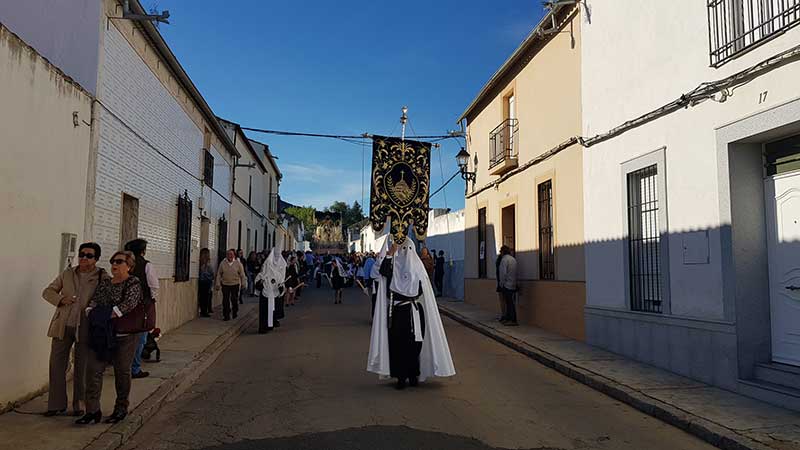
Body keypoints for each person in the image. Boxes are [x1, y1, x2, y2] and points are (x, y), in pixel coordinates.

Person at [368, 237, 455, 390]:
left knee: (415, 345)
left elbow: (424, 285)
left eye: (407, 249)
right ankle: (401, 377)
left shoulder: (417, 267)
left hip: (414, 311)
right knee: (397, 344)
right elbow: (381, 272)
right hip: (397, 312)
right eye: (402, 250)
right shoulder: (393, 266)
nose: (405, 253)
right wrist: (390, 253)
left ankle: (413, 374)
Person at [41, 242, 108, 417]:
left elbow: (106, 298)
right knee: (56, 365)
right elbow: (48, 291)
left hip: (85, 326)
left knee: (82, 367)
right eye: (82, 254)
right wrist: (61, 299)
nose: (84, 258)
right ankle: (56, 405)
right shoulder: (68, 273)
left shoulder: (101, 276)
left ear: (96, 259)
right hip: (62, 326)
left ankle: (80, 405)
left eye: (89, 255)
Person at [78, 251, 143, 425]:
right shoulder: (106, 283)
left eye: (119, 261)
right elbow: (94, 302)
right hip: (102, 334)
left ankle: (121, 408)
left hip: (125, 335)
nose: (114, 264)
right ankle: (92, 410)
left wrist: (102, 313)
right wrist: (93, 311)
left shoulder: (133, 282)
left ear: (129, 265)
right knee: (93, 370)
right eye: (113, 261)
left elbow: (126, 306)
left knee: (122, 371)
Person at [124, 239, 159, 380]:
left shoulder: (124, 264)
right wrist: (152, 298)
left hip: (125, 305)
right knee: (141, 337)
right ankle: (135, 368)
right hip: (142, 306)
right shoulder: (146, 265)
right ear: (143, 251)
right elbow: (153, 285)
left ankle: (124, 366)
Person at [255, 248, 286, 333]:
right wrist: (260, 283)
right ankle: (262, 328)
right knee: (264, 312)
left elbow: (281, 281)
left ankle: (271, 324)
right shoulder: (265, 270)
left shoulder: (278, 272)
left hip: (274, 293)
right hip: (265, 294)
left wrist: (281, 287)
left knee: (273, 310)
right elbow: (258, 279)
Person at [215, 249, 246, 321]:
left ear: (234, 255)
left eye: (231, 254)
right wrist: (217, 284)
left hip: (235, 284)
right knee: (225, 300)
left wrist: (243, 283)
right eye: (228, 254)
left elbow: (242, 275)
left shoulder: (238, 264)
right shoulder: (223, 263)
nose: (230, 256)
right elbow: (219, 274)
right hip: (225, 284)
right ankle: (226, 315)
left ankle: (235, 310)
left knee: (234, 299)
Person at [498, 246, 518, 326]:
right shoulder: (513, 259)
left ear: (503, 252)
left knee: (509, 303)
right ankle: (510, 319)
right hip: (513, 284)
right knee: (511, 303)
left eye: (501, 252)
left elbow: (503, 273)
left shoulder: (504, 260)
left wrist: (501, 284)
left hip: (507, 285)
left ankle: (512, 320)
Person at [198, 248, 214, 317]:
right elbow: (208, 273)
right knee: (204, 297)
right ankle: (204, 311)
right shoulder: (203, 264)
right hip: (204, 282)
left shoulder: (207, 264)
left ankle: (205, 310)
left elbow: (211, 273)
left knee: (206, 297)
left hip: (206, 282)